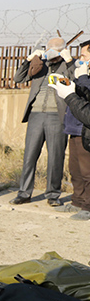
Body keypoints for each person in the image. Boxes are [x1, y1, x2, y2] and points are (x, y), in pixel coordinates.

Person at [10, 37, 76, 206]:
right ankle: (24, 193)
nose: (51, 53)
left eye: (55, 49)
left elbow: (77, 80)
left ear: (63, 50)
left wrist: (69, 61)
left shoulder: (68, 65)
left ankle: (52, 195)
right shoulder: (40, 65)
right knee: (29, 155)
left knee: (56, 156)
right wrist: (29, 59)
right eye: (49, 49)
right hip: (36, 114)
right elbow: (19, 78)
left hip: (57, 115)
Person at [61, 40, 90, 220]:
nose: (81, 58)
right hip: (74, 128)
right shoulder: (82, 74)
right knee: (75, 169)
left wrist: (83, 78)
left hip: (86, 130)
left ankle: (87, 206)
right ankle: (77, 201)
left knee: (87, 171)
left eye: (84, 56)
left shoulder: (85, 76)